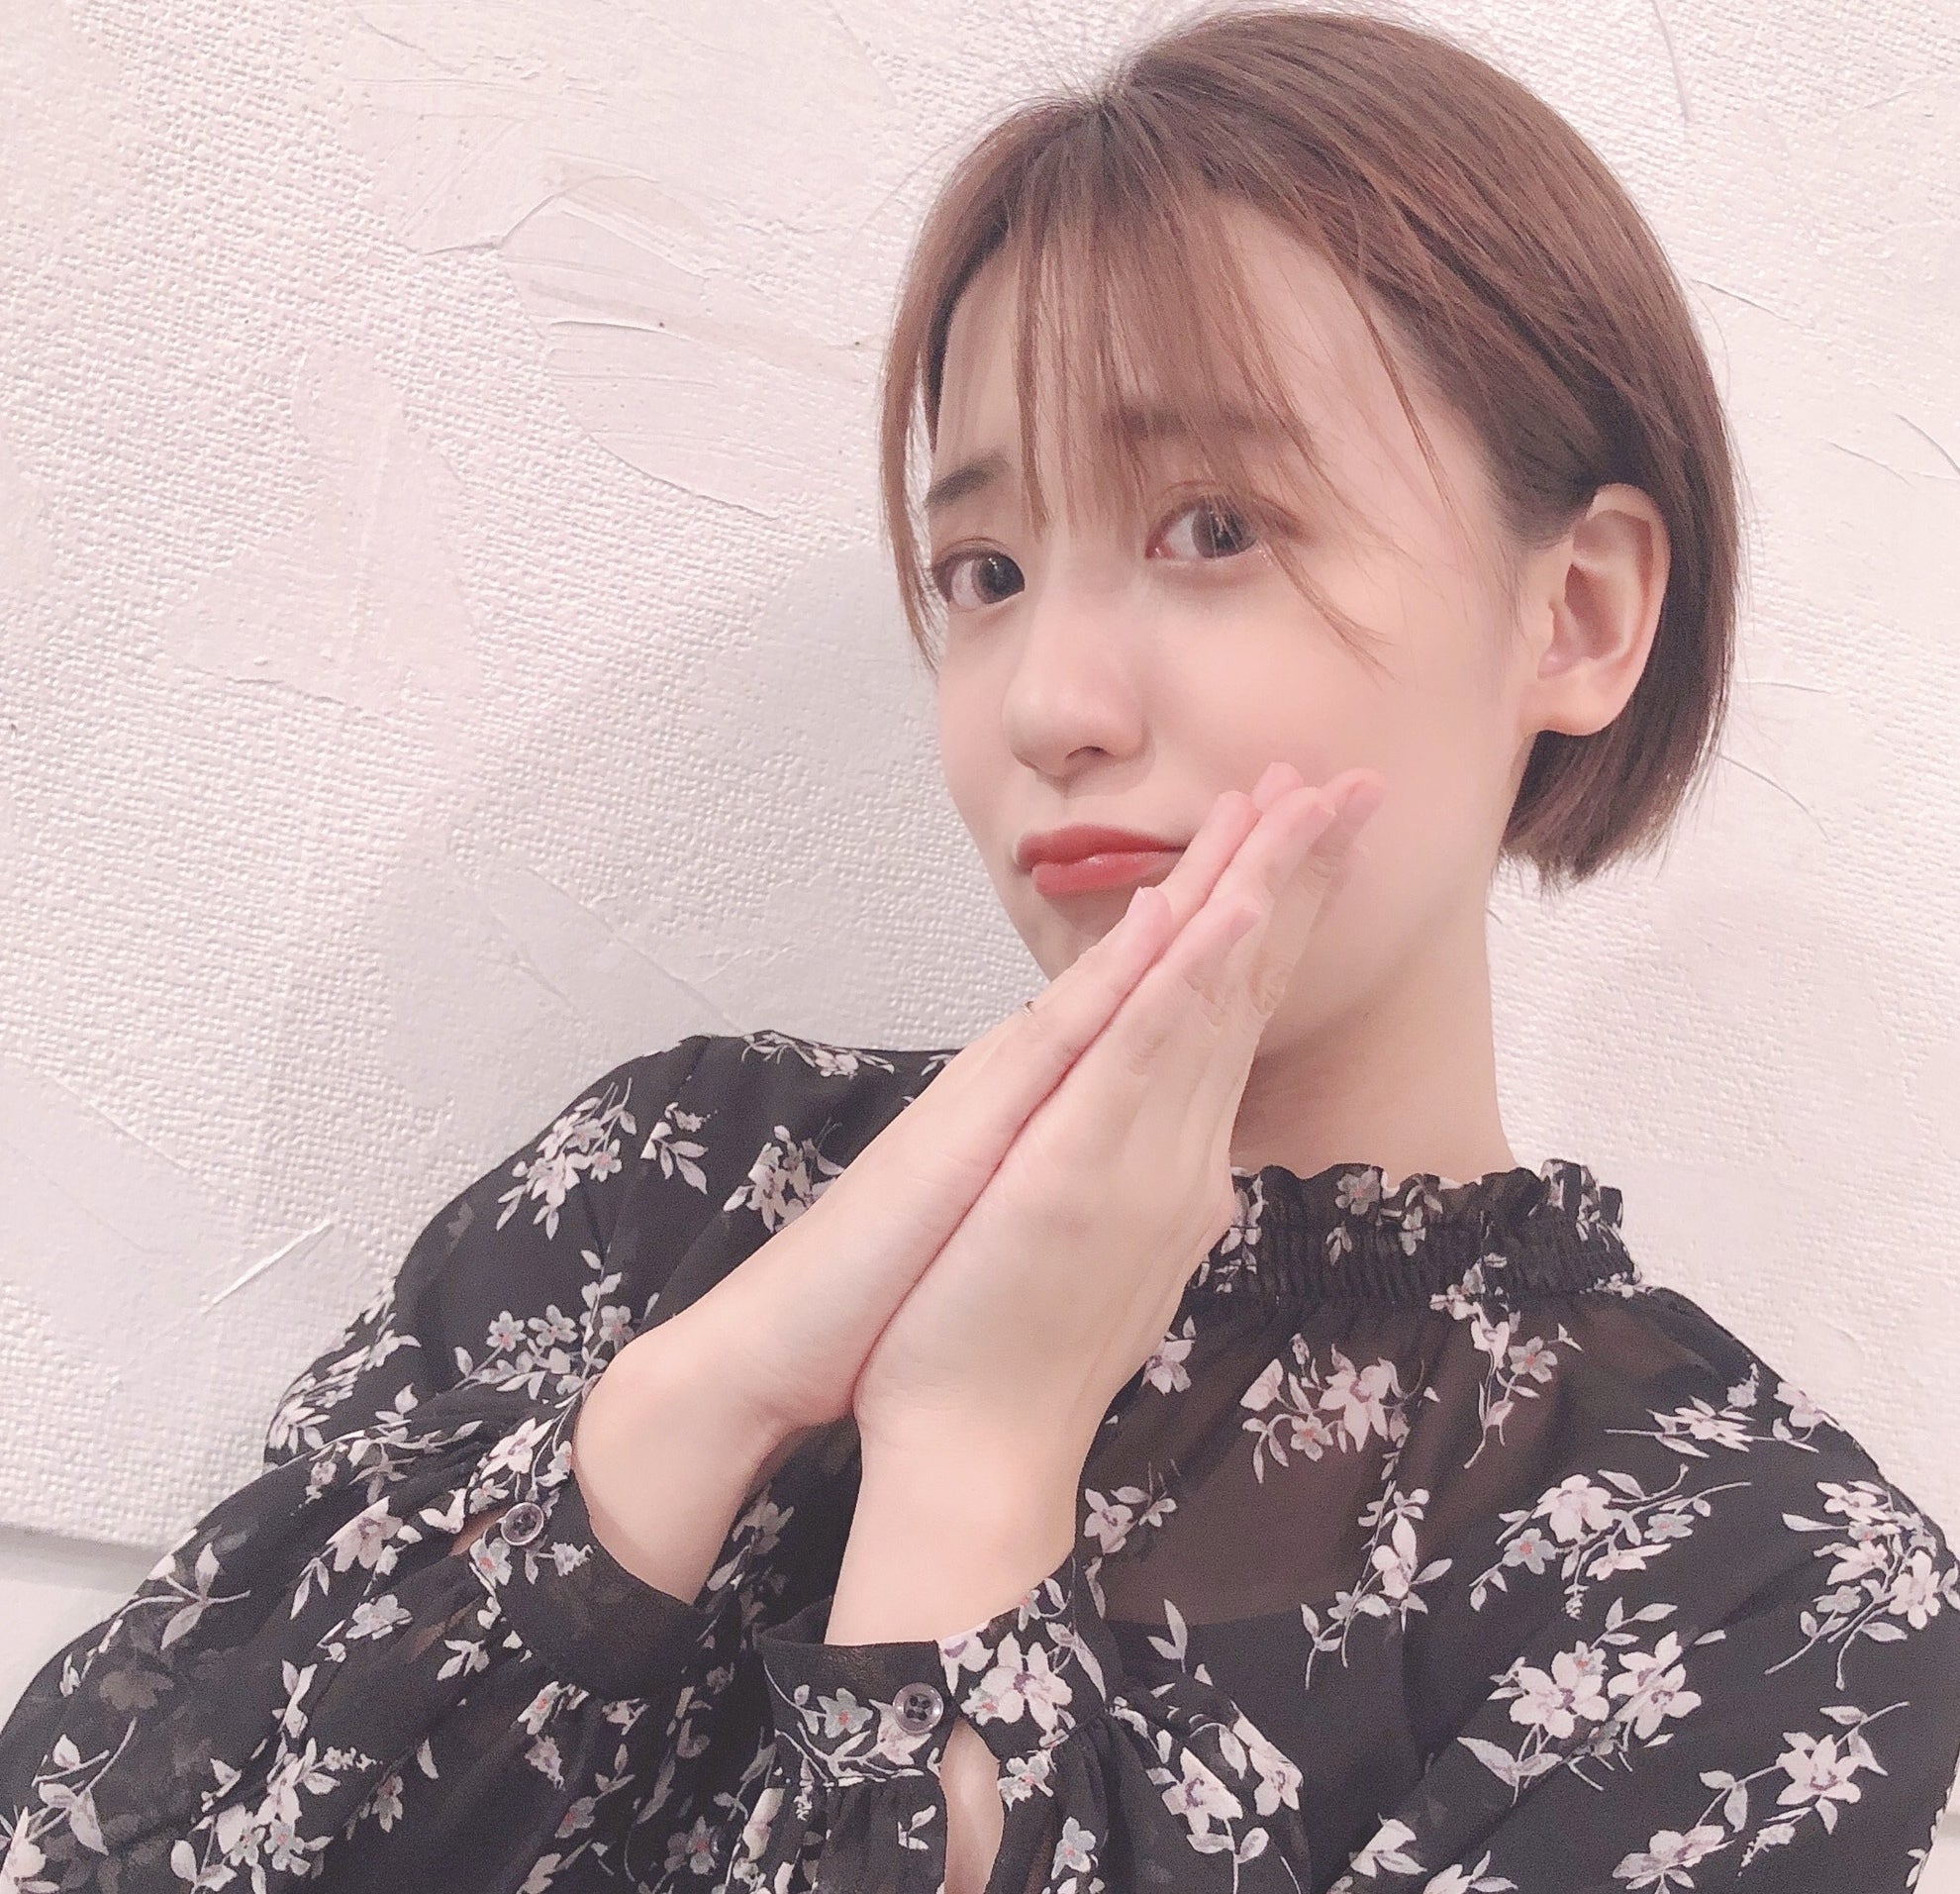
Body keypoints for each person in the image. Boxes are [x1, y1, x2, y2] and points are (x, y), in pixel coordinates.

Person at [5, 5, 1958, 1891]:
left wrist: (971, 1461)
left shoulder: (1759, 1589)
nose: (1047, 703)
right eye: (989, 571)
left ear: (1580, 613)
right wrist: (706, 1397)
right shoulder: (671, 1192)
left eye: (1213, 527)